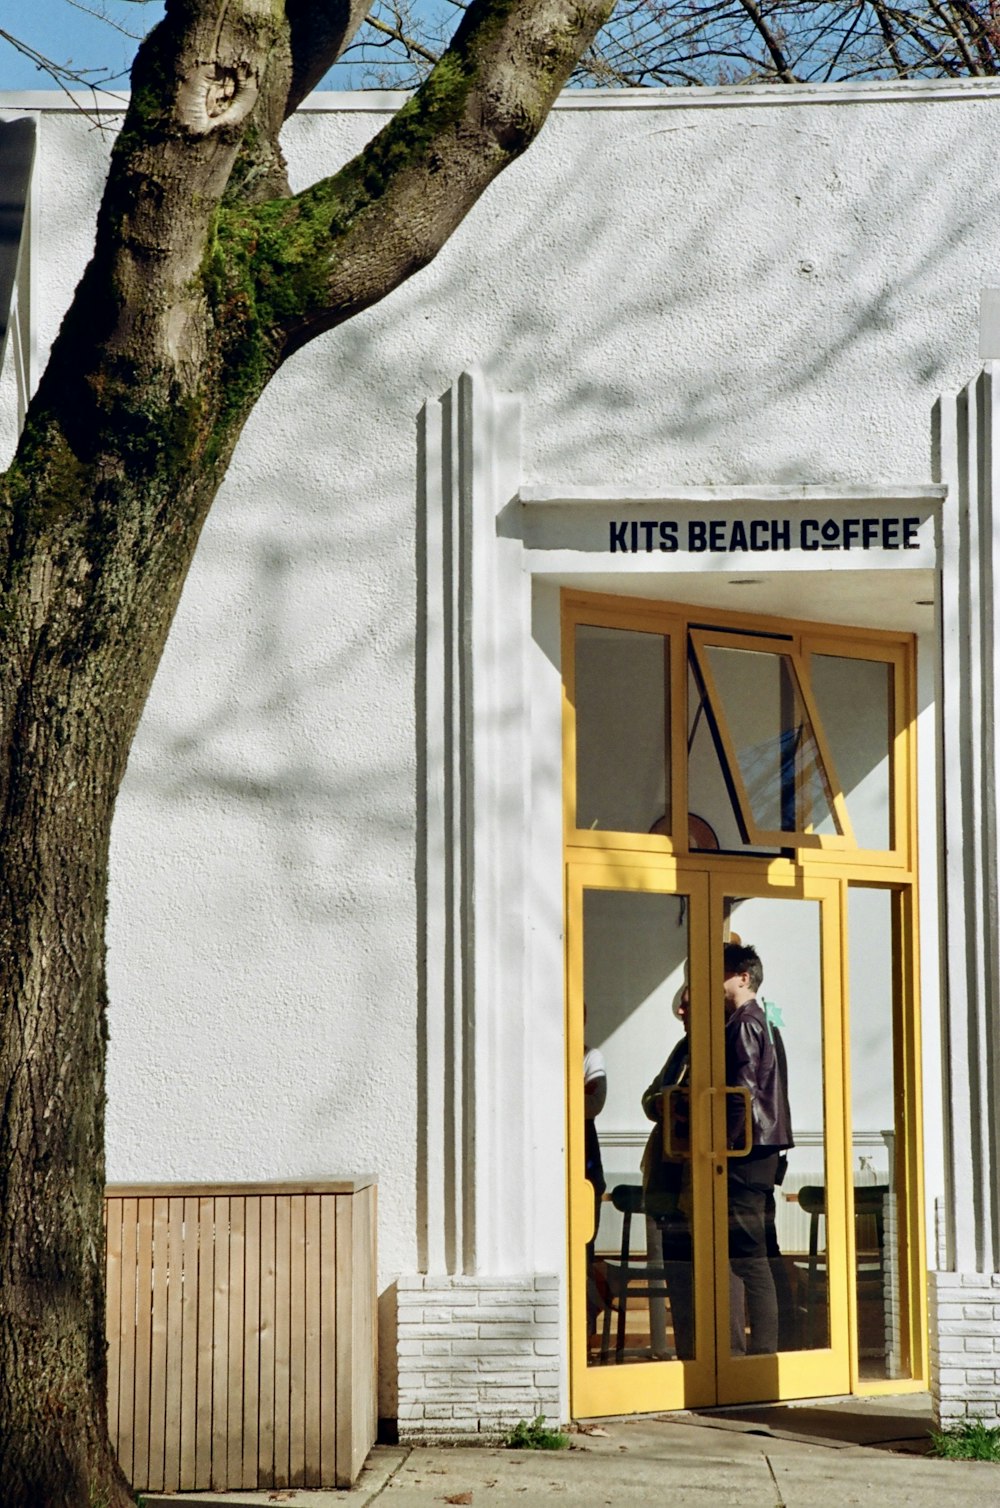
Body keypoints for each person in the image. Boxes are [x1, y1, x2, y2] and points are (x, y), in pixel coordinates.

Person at [723, 940, 793, 1356]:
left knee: (749, 1258)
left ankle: (763, 1356)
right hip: (764, 1151)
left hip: (747, 1154)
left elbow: (742, 1091)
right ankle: (777, 1346)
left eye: (722, 974)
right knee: (763, 1251)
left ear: (743, 977)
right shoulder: (764, 1020)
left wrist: (725, 1144)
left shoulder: (745, 1022)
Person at [641, 983, 694, 1359]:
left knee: (695, 1271)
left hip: (692, 1173)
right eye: (680, 1005)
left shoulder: (716, 1043)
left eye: (686, 1006)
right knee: (677, 1271)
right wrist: (665, 1102)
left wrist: (670, 1102)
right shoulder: (681, 1049)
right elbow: (650, 1096)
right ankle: (688, 1350)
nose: (679, 1012)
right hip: (665, 1172)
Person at [583, 1024, 607, 1332]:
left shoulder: (590, 1057)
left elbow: (592, 1104)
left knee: (585, 1249)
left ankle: (586, 1327)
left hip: (585, 1166)